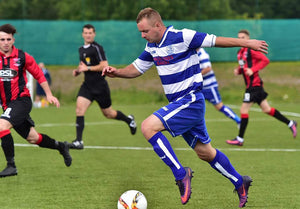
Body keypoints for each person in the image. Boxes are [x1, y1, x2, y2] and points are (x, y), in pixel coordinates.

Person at [102, 8, 269, 208]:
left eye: (145, 31)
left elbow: (216, 40)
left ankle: (181, 174)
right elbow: (137, 68)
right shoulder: (152, 47)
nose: (142, 35)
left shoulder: (182, 36)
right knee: (205, 152)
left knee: (148, 127)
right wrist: (117, 73)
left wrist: (248, 43)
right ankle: (239, 182)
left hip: (190, 100)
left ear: (157, 25)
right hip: (180, 105)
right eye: (140, 32)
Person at [0, 24, 72, 177]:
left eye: (8, 39)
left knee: (2, 126)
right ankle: (61, 146)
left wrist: (49, 94)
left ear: (13, 40)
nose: (5, 42)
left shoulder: (23, 57)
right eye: (2, 39)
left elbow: (39, 75)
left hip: (21, 101)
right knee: (33, 138)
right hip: (8, 106)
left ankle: (11, 166)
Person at [69, 24, 137, 150]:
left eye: (90, 33)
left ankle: (129, 120)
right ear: (82, 34)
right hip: (87, 86)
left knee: (109, 114)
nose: (88, 35)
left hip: (100, 86)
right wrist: (78, 71)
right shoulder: (81, 49)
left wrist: (87, 68)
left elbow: (104, 65)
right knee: (79, 110)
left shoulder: (97, 48)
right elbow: (83, 65)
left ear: (94, 34)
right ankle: (79, 141)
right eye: (86, 33)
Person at [226, 29, 297, 146]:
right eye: (239, 37)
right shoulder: (240, 52)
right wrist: (238, 71)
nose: (240, 39)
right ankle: (290, 123)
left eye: (243, 37)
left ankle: (240, 139)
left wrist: (253, 70)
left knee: (244, 110)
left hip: (254, 86)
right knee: (267, 109)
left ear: (248, 39)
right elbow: (243, 67)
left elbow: (265, 60)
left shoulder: (250, 50)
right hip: (253, 86)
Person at [197, 48, 241, 126]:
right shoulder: (192, 53)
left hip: (209, 86)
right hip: (198, 87)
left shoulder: (202, 53)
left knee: (219, 106)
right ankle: (184, 129)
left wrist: (196, 76)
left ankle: (239, 121)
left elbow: (208, 68)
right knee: (193, 108)